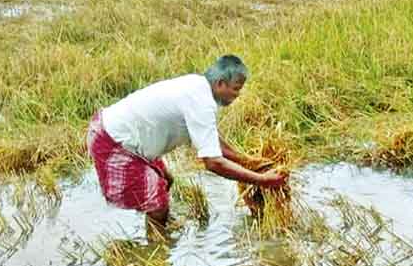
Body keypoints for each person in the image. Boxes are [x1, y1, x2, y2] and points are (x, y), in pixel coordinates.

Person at [87, 55, 286, 232]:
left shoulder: (197, 85)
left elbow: (210, 139)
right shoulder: (202, 102)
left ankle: (160, 227)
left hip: (119, 133)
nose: (237, 96)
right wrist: (263, 180)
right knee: (157, 205)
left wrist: (247, 160)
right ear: (220, 83)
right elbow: (213, 163)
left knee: (167, 181)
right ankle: (156, 255)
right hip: (114, 142)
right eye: (235, 90)